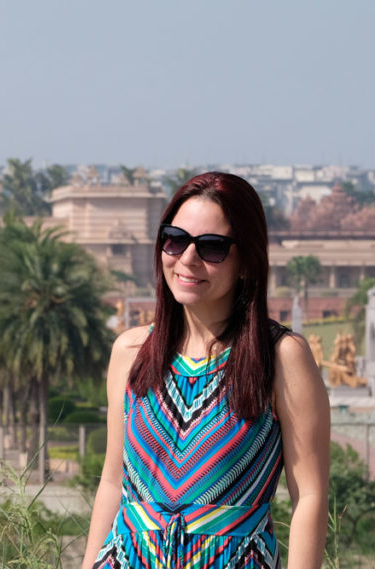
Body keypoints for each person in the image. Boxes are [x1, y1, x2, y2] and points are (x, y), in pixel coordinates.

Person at [82, 172, 329, 569]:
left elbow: (310, 497)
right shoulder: (131, 352)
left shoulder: (281, 358)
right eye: (175, 239)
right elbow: (113, 483)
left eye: (211, 247)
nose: (187, 258)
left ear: (247, 260)